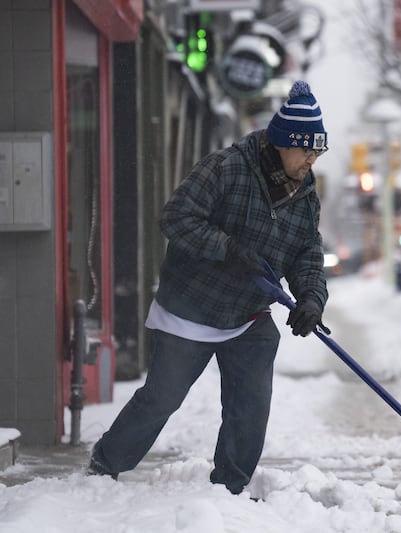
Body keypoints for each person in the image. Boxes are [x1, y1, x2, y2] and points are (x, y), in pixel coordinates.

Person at [88, 80, 330, 496]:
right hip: (192, 306)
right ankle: (105, 462)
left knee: (250, 405)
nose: (312, 159)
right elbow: (176, 218)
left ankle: (229, 489)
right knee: (162, 398)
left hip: (248, 314)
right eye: (305, 149)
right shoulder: (227, 168)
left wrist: (311, 298)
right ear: (281, 143)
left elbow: (307, 253)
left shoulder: (305, 195)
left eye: (318, 152)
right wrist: (227, 249)